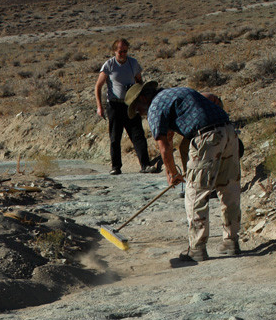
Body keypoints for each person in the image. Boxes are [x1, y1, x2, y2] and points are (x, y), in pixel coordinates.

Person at [125, 81, 241, 262]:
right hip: (229, 132)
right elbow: (178, 140)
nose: (140, 113)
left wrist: (172, 174)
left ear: (143, 98)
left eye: (137, 108)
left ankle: (197, 248)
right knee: (228, 189)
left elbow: (164, 148)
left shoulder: (155, 106)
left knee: (195, 194)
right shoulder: (175, 94)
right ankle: (231, 242)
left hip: (206, 136)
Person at [94, 39, 157, 175]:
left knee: (138, 134)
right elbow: (98, 86)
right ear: (114, 51)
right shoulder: (109, 65)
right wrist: (100, 106)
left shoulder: (133, 63)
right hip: (114, 105)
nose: (123, 54)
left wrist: (142, 100)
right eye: (120, 51)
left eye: (125, 51)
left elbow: (139, 81)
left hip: (131, 104)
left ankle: (145, 164)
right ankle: (116, 166)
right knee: (115, 137)